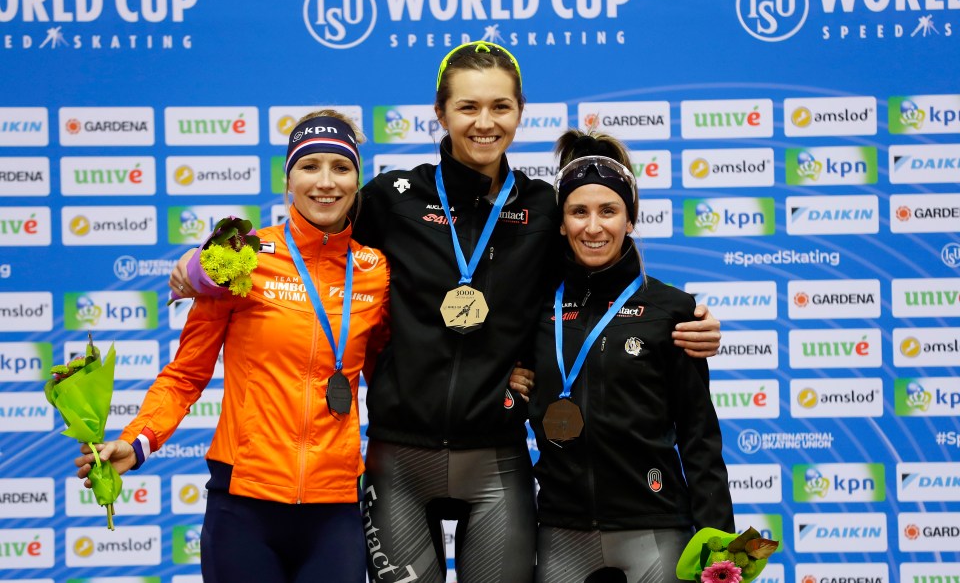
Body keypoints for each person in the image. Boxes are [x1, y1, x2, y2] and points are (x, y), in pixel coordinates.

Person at [169, 41, 721, 583]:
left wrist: (684, 322)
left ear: (520, 112)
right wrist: (205, 263)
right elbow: (313, 235)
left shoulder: (543, 207)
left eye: (500, 106)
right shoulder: (392, 197)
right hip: (398, 463)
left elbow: (595, 288)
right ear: (440, 112)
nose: (485, 122)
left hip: (496, 463)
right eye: (468, 106)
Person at [75, 110, 391, 583]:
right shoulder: (239, 259)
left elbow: (396, 375)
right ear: (288, 180)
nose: (325, 182)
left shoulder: (376, 270)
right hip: (243, 505)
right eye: (310, 166)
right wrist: (140, 441)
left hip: (336, 507)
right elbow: (185, 375)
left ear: (357, 181)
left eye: (341, 168)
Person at [527, 130, 734, 583]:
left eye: (609, 211)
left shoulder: (673, 310)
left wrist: (721, 544)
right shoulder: (535, 308)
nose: (593, 226)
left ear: (631, 219)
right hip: (562, 531)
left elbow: (699, 435)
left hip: (656, 529)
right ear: (561, 222)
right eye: (578, 212)